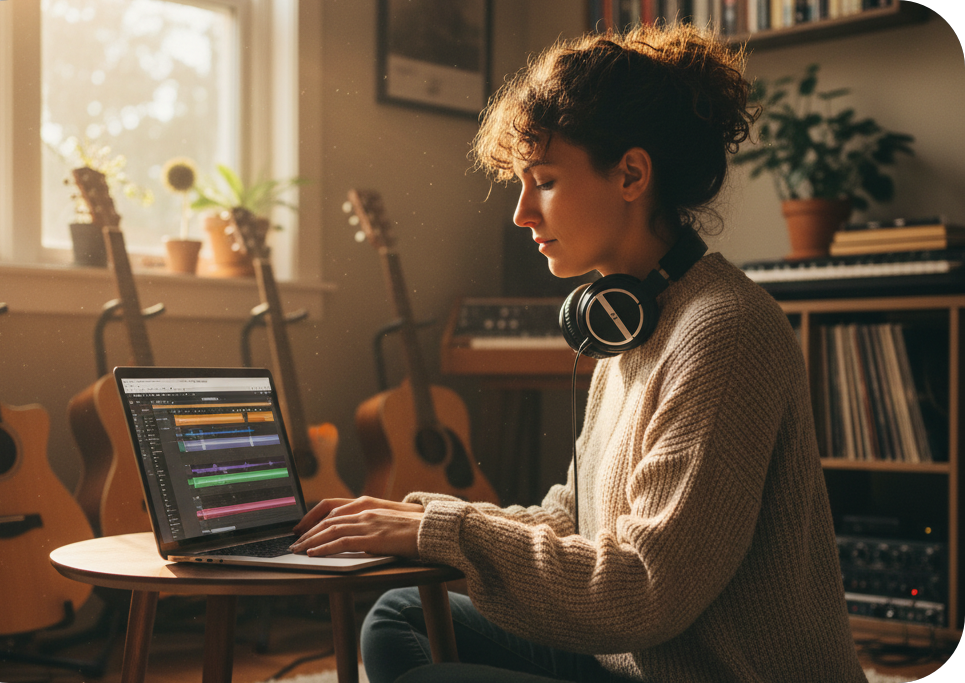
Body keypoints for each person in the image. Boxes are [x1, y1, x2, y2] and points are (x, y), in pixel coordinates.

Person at [291, 21, 867, 683]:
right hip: (632, 663)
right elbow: (572, 516)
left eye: (543, 181)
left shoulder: (724, 330)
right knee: (400, 614)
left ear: (631, 174)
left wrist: (441, 532)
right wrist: (420, 515)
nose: (520, 214)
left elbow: (644, 587)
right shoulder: (627, 319)